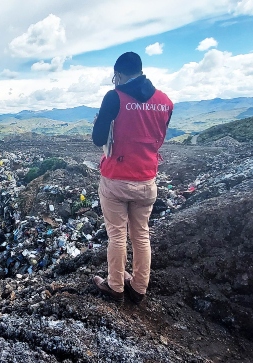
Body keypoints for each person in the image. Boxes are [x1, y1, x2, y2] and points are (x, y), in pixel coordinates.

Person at [91, 52, 173, 305]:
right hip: (147, 179)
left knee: (117, 235)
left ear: (118, 74)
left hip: (116, 177)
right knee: (141, 234)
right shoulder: (165, 101)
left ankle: (115, 285)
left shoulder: (114, 97)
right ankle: (138, 287)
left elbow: (97, 139)